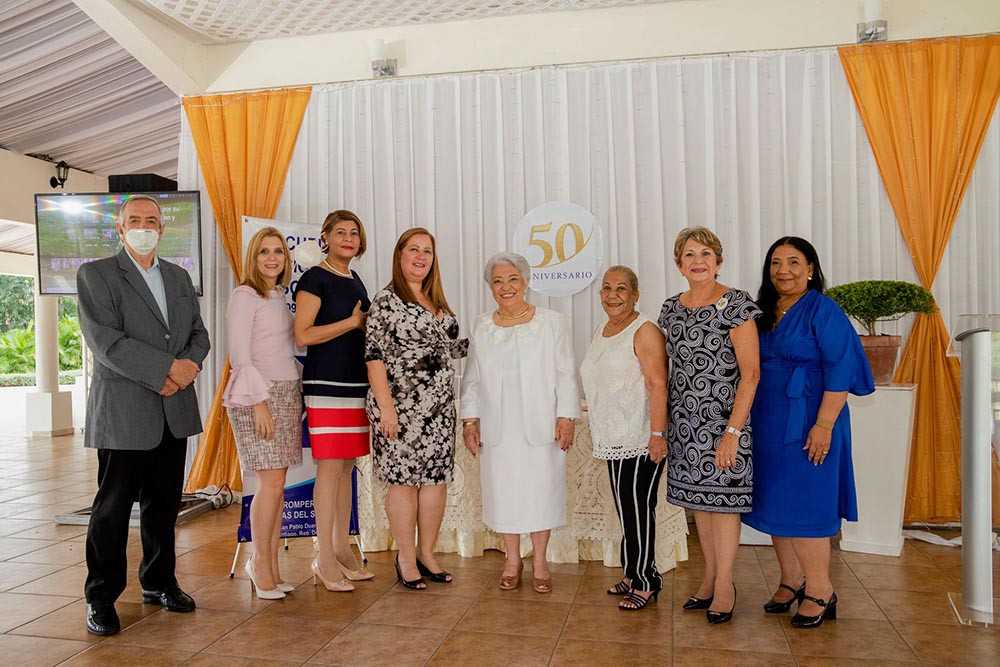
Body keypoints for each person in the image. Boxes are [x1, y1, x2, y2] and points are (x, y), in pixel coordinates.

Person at [76, 195, 210, 636]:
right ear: (119, 227)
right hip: (123, 413)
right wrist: (167, 370)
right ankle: (101, 597)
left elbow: (197, 334)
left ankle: (159, 582)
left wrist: (188, 364)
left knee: (163, 506)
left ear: (162, 228)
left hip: (173, 410)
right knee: (112, 510)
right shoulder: (96, 274)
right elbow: (106, 341)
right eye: (135, 220)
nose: (144, 226)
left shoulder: (177, 276)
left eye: (152, 220)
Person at [743, 236, 874, 629]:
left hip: (812, 421)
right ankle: (791, 580)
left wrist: (823, 426)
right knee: (776, 503)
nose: (784, 270)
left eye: (794, 262)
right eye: (777, 263)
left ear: (811, 269)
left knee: (807, 506)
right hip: (768, 421)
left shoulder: (824, 310)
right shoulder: (762, 311)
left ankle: (820, 590)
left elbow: (840, 371)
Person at [461, 253, 580, 595]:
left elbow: (565, 373)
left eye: (512, 279)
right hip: (498, 430)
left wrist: (567, 416)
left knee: (542, 493)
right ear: (490, 287)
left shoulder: (552, 322)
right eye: (497, 281)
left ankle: (540, 561)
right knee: (504, 495)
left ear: (525, 281)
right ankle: (512, 560)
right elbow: (471, 379)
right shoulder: (481, 325)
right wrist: (470, 422)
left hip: (543, 428)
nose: (505, 287)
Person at [658, 226, 760, 625]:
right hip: (684, 424)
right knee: (700, 504)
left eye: (705, 253)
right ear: (679, 264)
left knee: (723, 504)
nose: (697, 260)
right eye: (688, 254)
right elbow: (670, 369)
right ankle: (709, 578)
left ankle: (726, 585)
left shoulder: (736, 304)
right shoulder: (670, 308)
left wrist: (732, 432)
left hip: (724, 424)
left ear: (718, 261)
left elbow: (750, 374)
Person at [365, 227, 467, 590]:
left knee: (435, 483)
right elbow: (374, 357)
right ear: (400, 256)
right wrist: (387, 409)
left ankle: (427, 552)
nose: (421, 257)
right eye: (414, 250)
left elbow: (446, 351)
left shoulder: (435, 299)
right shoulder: (387, 301)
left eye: (427, 251)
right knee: (404, 483)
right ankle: (405, 557)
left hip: (439, 409)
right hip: (401, 408)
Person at [580, 266, 667, 610]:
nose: (612, 295)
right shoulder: (604, 328)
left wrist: (657, 435)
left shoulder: (644, 330)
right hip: (613, 436)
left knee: (638, 509)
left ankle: (646, 581)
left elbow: (658, 384)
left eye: (621, 289)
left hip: (640, 436)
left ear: (635, 295)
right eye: (606, 288)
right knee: (625, 509)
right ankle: (633, 572)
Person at [294, 210, 372, 593]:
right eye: (340, 232)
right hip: (325, 385)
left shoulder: (355, 279)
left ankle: (342, 549)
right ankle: (323, 557)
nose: (348, 237)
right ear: (324, 237)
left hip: (355, 385)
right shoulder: (314, 278)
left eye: (354, 232)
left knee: (346, 469)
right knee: (329, 470)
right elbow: (303, 335)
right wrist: (351, 324)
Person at [224, 227, 302, 600]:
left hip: (286, 393)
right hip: (260, 396)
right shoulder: (245, 295)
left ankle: (270, 565)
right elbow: (240, 355)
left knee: (277, 486)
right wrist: (259, 403)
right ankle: (258, 564)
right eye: (264, 252)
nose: (273, 258)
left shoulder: (278, 295)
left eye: (279, 252)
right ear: (253, 258)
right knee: (269, 486)